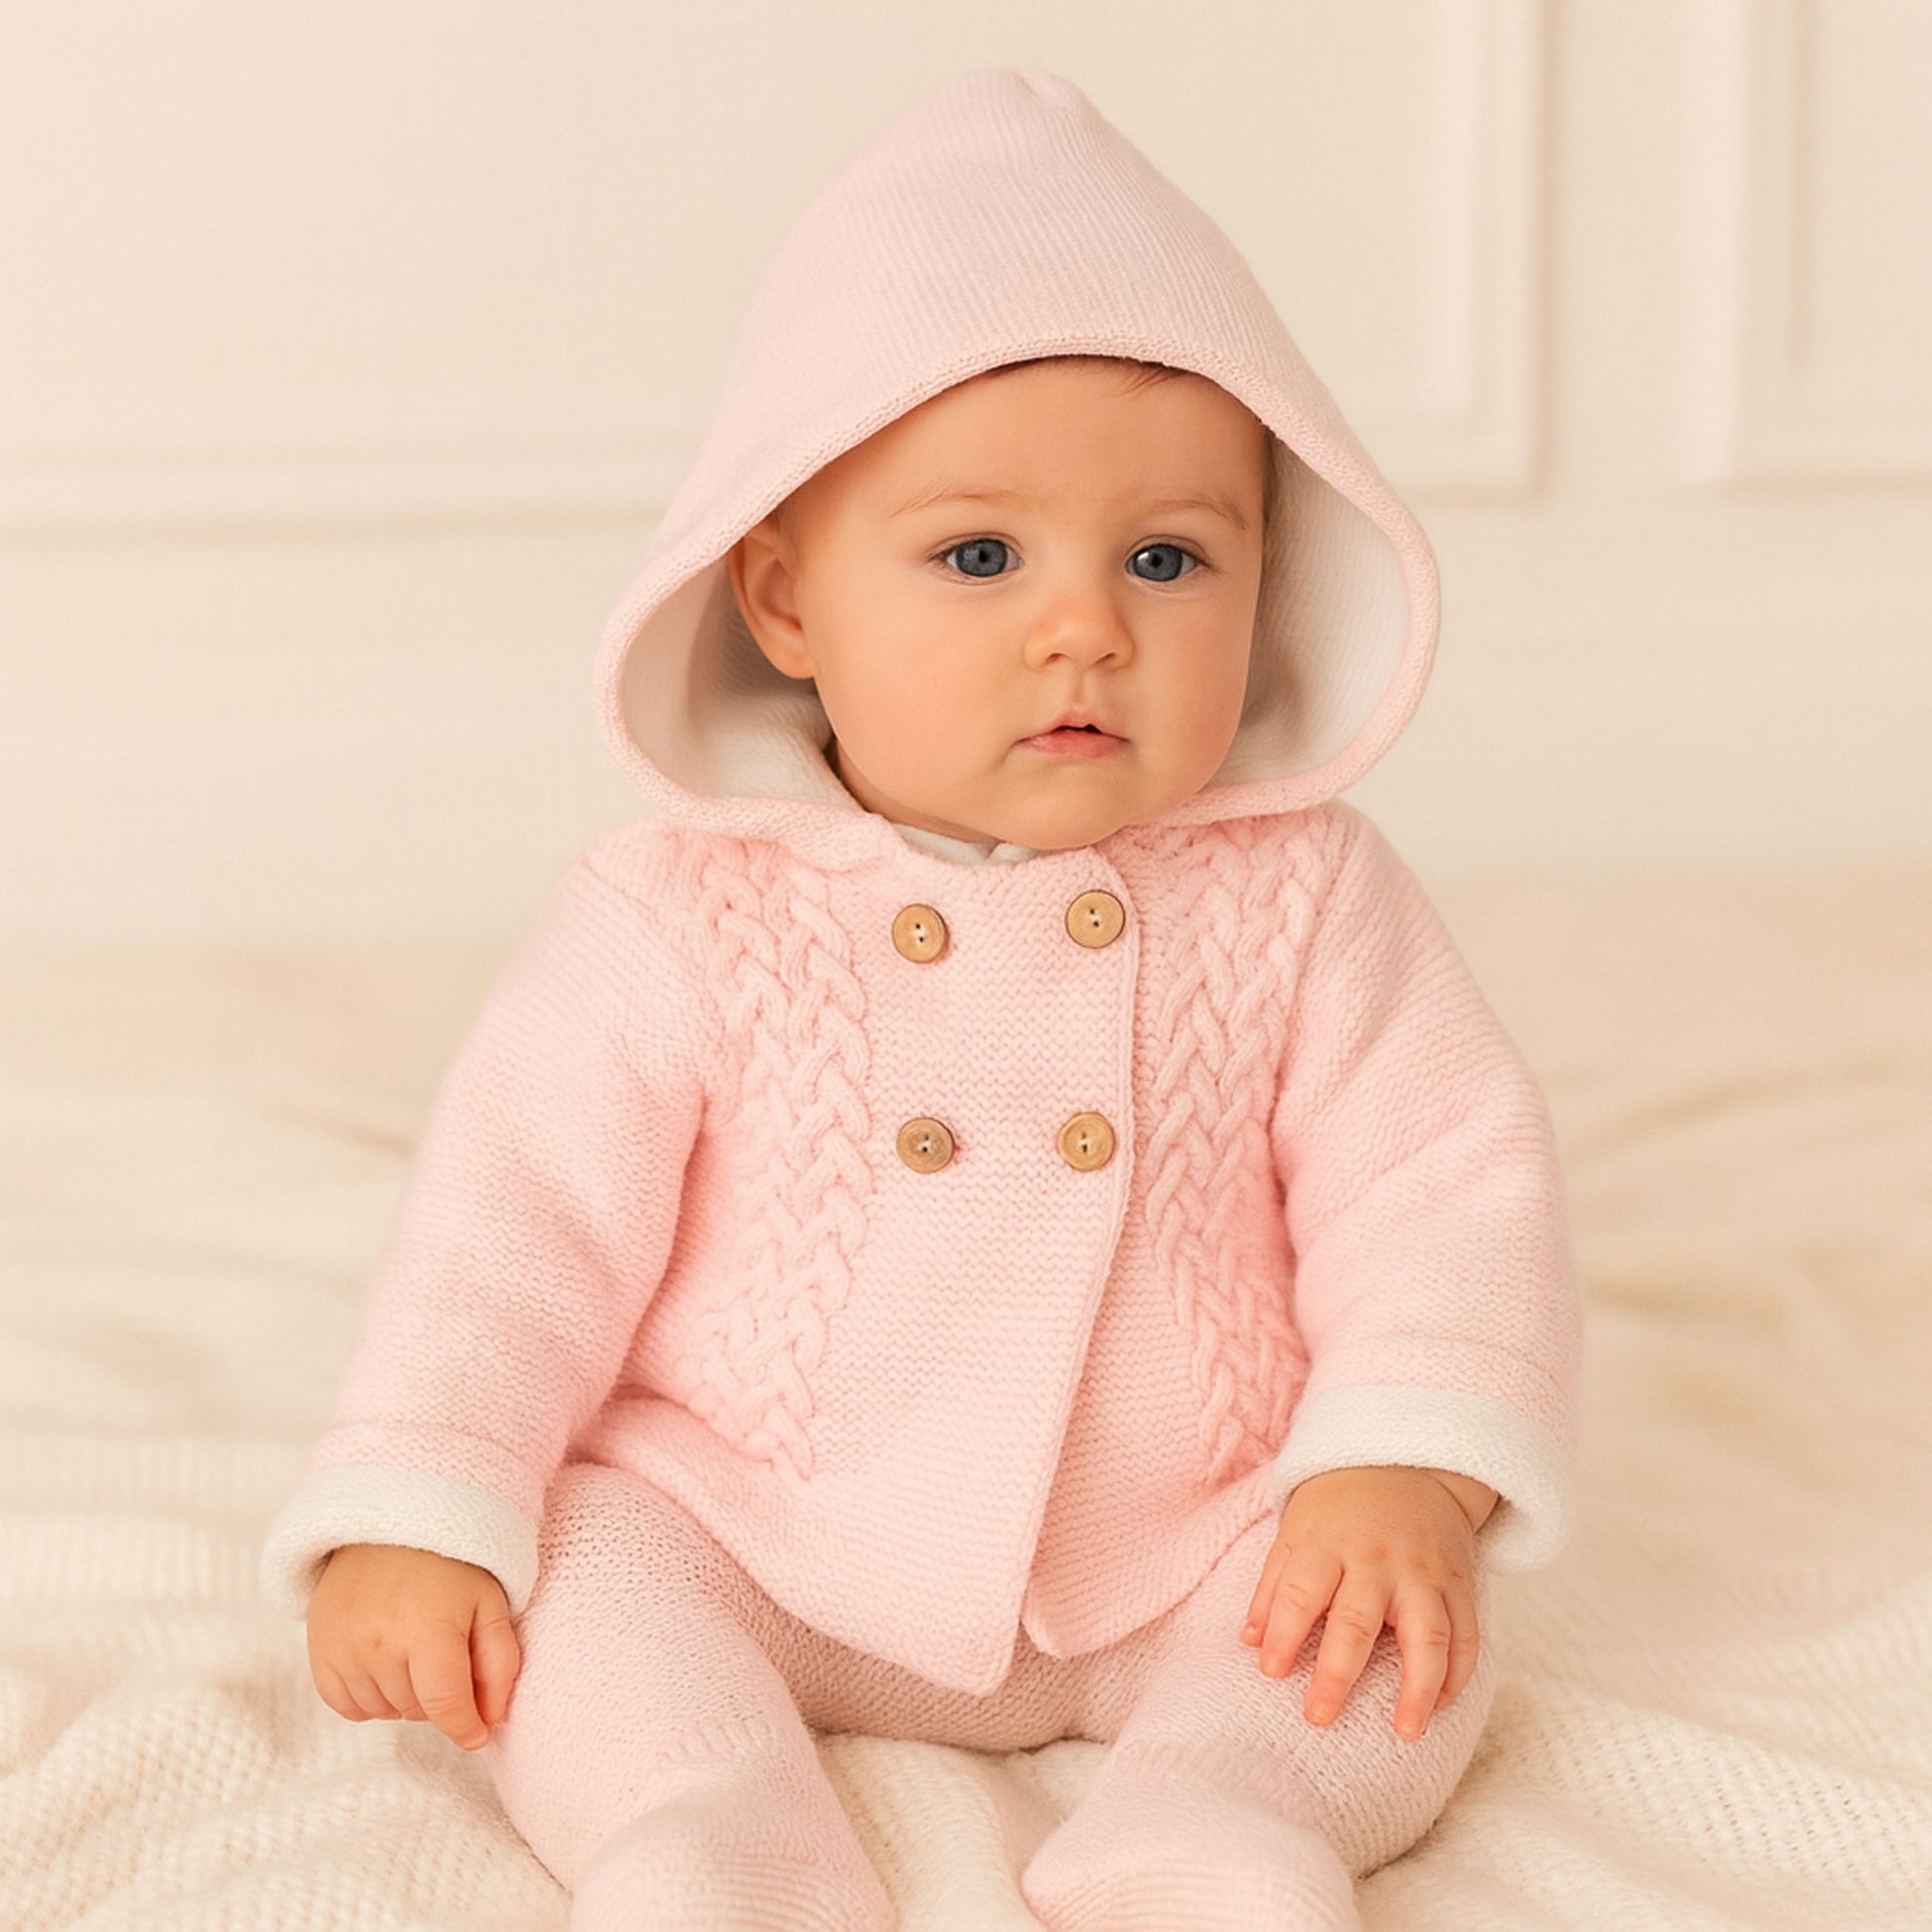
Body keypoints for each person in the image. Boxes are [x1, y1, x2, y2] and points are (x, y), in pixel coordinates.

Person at [260, 68, 1583, 1932]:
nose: (1084, 627)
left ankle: (1215, 1817)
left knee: (1392, 1645)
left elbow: (1439, 1181)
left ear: (1269, 581)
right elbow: (514, 1220)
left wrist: (1400, 1460)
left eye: (1167, 557)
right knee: (571, 1580)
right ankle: (708, 1832)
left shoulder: (1309, 893)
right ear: (785, 601)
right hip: (754, 1518)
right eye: (979, 556)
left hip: (1190, 1524)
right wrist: (419, 1491)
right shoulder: (680, 909)